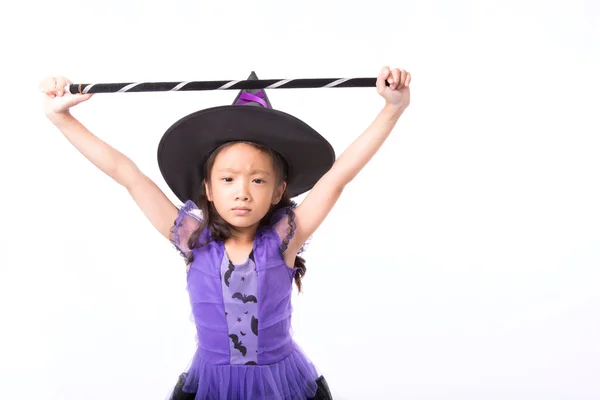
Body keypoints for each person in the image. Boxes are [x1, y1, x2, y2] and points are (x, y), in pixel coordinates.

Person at [39, 66, 411, 400]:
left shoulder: (284, 240)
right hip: (211, 385)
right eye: (228, 179)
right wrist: (62, 119)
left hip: (280, 384)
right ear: (209, 188)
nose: (243, 191)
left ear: (279, 191)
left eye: (258, 179)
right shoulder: (192, 239)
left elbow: (338, 177)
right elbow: (128, 175)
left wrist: (392, 109)